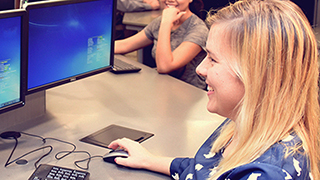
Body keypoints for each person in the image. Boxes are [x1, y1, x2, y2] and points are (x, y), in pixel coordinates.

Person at [108, 0, 320, 179]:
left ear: (256, 76)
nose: (201, 68)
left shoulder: (265, 173)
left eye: (213, 59)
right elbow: (204, 169)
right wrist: (149, 160)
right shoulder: (239, 123)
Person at [115, 0, 208, 90]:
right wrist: (101, 47)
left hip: (188, 93)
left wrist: (166, 23)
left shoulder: (198, 29)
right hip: (162, 86)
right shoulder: (161, 21)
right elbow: (125, 45)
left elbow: (165, 66)